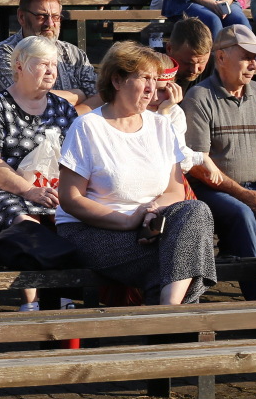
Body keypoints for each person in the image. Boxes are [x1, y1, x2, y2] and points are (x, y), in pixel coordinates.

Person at [56, 42, 217, 305]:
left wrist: (153, 209)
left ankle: (168, 312)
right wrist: (127, 221)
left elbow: (174, 191)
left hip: (148, 229)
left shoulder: (162, 125)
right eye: (144, 78)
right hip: (93, 232)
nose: (152, 87)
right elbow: (70, 199)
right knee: (183, 263)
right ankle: (172, 317)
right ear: (117, 80)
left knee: (196, 211)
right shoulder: (88, 127)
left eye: (155, 79)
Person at [0, 34, 80, 310]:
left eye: (53, 65)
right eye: (42, 64)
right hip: (5, 191)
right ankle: (31, 301)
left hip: (53, 188)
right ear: (19, 66)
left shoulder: (62, 108)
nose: (51, 71)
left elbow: (81, 157)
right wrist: (28, 190)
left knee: (73, 215)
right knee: (25, 221)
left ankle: (63, 296)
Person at [180, 24, 256, 301]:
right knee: (242, 213)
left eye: (255, 58)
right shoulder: (200, 97)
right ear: (221, 57)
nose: (254, 65)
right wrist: (243, 193)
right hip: (210, 190)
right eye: (247, 57)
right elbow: (199, 164)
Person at [0, 0, 97, 105]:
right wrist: (79, 95)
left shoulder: (74, 54)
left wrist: (68, 113)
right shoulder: (5, 53)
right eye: (41, 16)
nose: (50, 23)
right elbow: (26, 99)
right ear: (21, 17)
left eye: (55, 17)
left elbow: (98, 97)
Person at [165, 16, 212, 92]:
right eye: (188, 63)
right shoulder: (153, 72)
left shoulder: (219, 69)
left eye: (202, 62)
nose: (194, 70)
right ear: (169, 49)